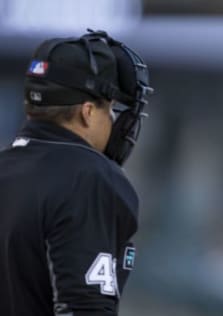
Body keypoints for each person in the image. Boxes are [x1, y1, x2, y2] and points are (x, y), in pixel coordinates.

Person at [0, 30, 153, 315]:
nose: (113, 119)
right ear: (87, 112)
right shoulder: (90, 177)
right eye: (109, 108)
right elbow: (85, 308)